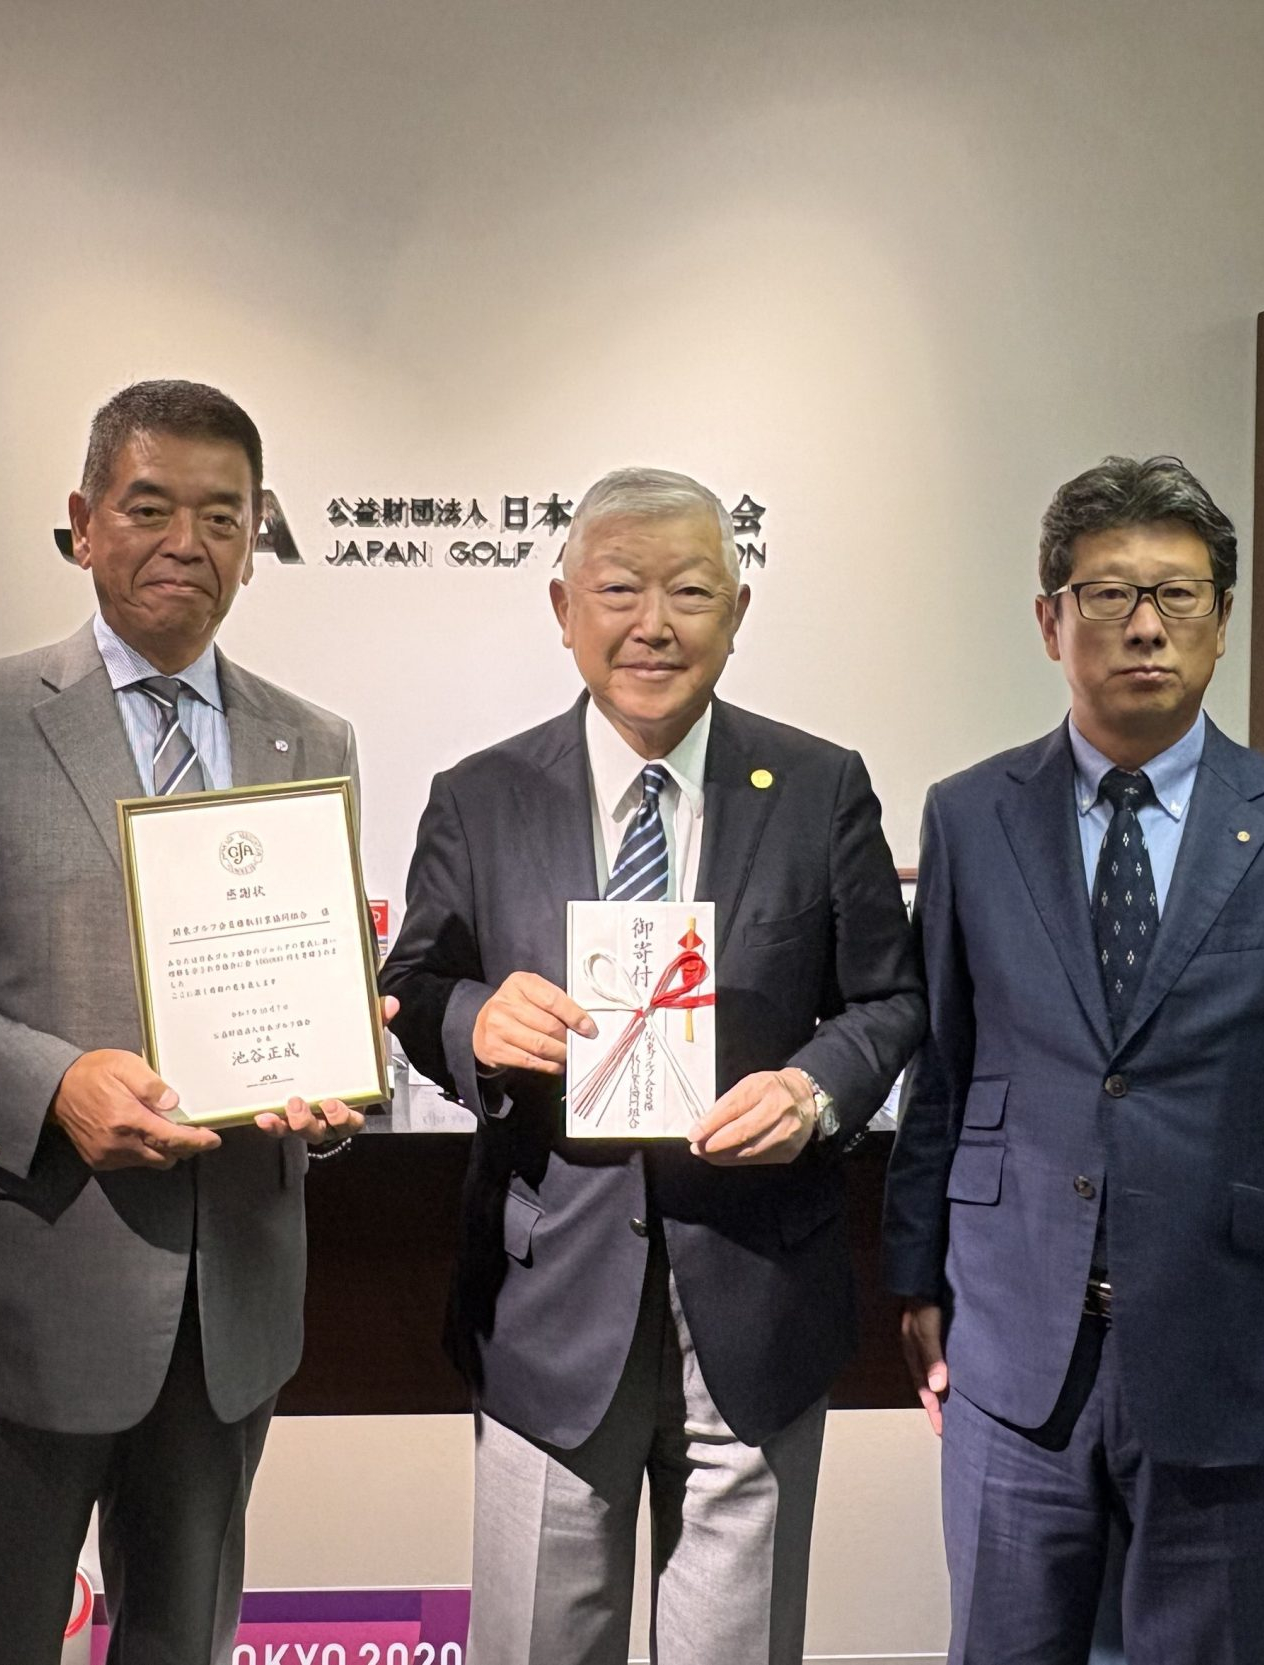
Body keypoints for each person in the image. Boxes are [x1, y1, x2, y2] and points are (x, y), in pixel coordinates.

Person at [0, 380, 369, 1665]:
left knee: (183, 1640)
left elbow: (317, 990)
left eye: (223, 517)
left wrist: (338, 1085)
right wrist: (56, 1084)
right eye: (148, 507)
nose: (187, 542)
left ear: (257, 539)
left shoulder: (311, 738)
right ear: (82, 523)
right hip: (27, 1275)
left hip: (233, 1289)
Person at [379, 467, 924, 1665]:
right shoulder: (478, 796)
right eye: (620, 590)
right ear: (562, 606)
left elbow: (889, 998)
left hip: (758, 1290)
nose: (653, 625)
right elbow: (412, 986)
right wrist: (473, 1022)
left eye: (690, 591)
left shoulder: (819, 786)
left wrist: (813, 1090)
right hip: (544, 1297)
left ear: (737, 611)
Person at [881, 455, 1264, 1664]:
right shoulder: (969, 816)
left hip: (1231, 1341)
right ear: (1049, 620)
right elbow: (940, 1068)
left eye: (1178, 594)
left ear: (1222, 616)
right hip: (1013, 1341)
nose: (1146, 626)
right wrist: (914, 1280)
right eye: (1108, 594)